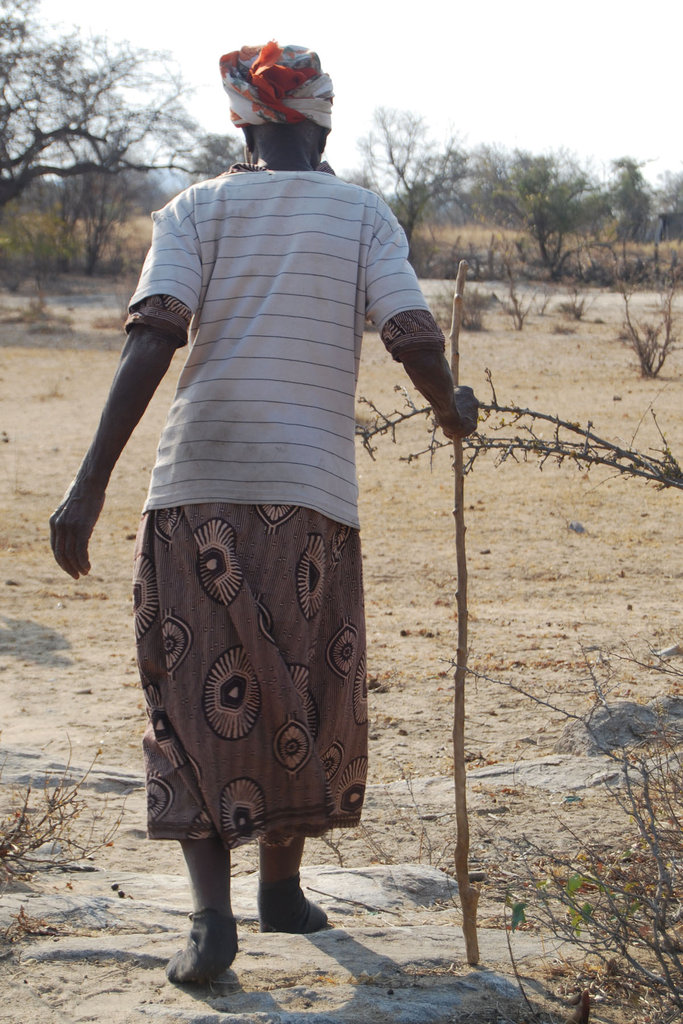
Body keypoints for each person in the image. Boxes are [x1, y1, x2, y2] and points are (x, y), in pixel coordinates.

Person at [50, 41, 478, 985]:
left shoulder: (195, 209)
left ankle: (214, 920)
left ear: (241, 121)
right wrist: (451, 407)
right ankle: (278, 887)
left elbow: (154, 337)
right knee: (305, 683)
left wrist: (90, 483)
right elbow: (409, 332)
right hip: (311, 495)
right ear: (322, 119)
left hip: (196, 480)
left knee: (187, 692)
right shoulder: (363, 215)